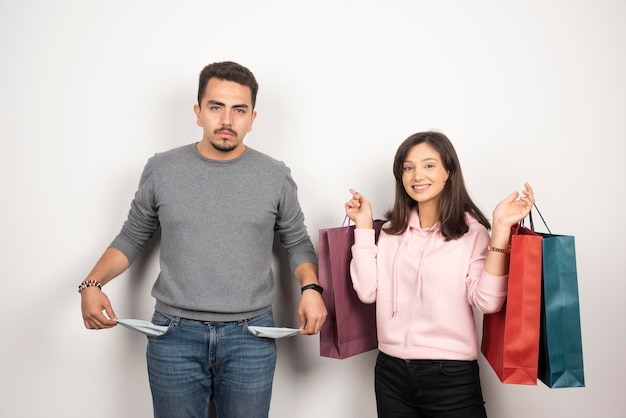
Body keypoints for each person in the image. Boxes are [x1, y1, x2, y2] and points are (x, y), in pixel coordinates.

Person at [79, 61, 327, 418]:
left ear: (253, 118)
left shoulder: (274, 175)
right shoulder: (162, 169)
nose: (227, 120)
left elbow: (296, 242)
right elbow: (133, 235)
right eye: (216, 107)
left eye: (238, 110)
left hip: (252, 337)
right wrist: (91, 283)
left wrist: (311, 290)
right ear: (198, 113)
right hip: (173, 336)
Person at [344, 131, 534, 418]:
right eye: (408, 167)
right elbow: (368, 291)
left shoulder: (472, 233)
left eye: (429, 165)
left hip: (450, 374)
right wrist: (362, 227)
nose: (417, 175)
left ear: (449, 171)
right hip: (390, 371)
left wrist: (501, 228)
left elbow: (488, 302)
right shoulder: (391, 231)